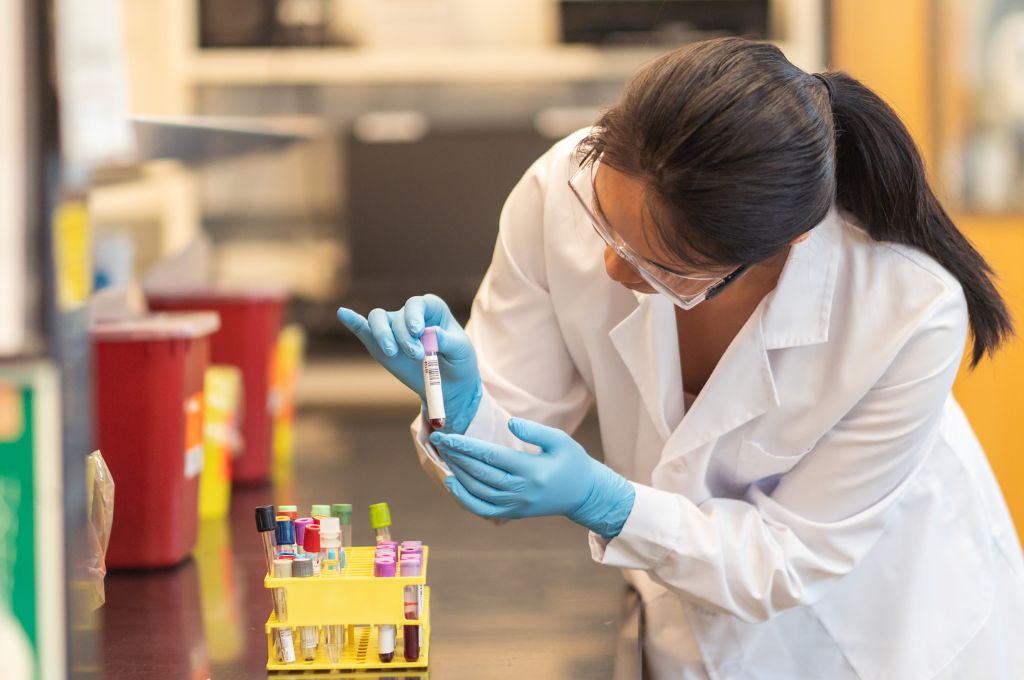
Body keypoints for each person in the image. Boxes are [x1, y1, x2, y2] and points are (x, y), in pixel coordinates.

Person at [338, 37, 1024, 679]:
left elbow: (785, 561)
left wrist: (606, 503)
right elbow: (504, 465)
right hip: (681, 622)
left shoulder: (906, 307)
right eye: (605, 226)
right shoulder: (560, 192)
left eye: (659, 265)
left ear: (774, 249)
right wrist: (456, 408)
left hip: (876, 630)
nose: (609, 266)